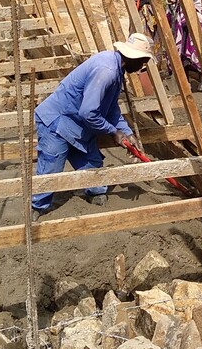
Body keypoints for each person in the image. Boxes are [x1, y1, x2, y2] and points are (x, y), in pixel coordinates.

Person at [31, 33, 154, 214]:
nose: (142, 67)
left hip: (79, 126)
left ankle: (94, 193)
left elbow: (111, 108)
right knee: (51, 171)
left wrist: (127, 132)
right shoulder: (107, 71)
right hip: (57, 121)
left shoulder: (116, 69)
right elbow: (88, 112)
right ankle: (38, 208)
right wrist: (114, 132)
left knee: (93, 170)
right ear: (134, 57)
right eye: (143, 61)